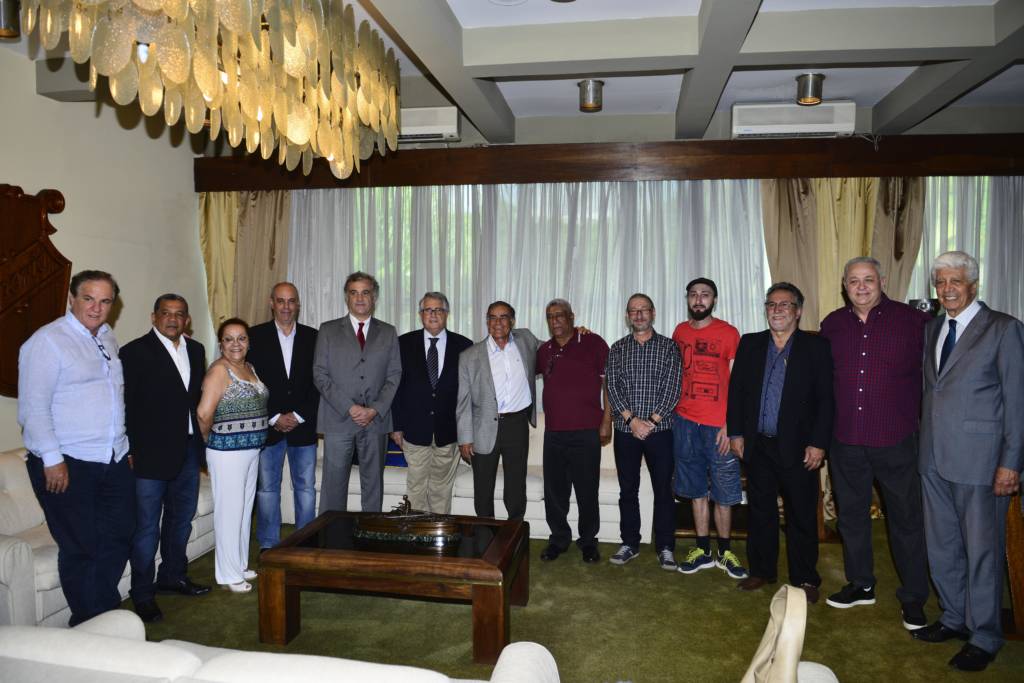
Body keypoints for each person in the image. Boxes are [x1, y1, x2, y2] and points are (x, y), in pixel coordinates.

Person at [912, 251, 1024, 672]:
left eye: (955, 281)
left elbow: (1018, 402)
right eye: (940, 282)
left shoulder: (1004, 329)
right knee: (942, 545)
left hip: (982, 462)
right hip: (934, 458)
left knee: (981, 552)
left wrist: (1011, 463)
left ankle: (985, 635)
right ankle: (954, 617)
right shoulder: (933, 328)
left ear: (973, 285)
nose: (947, 289)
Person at [18, 270, 135, 626]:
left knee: (120, 534)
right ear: (71, 299)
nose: (96, 308)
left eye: (105, 301)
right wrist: (52, 460)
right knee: (81, 546)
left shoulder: (108, 338)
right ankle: (90, 623)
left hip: (112, 459)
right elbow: (33, 408)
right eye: (88, 298)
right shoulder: (47, 341)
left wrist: (124, 446)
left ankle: (103, 612)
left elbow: (112, 399)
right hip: (67, 462)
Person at [819, 257, 930, 629]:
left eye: (868, 279)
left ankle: (914, 596)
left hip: (896, 438)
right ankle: (861, 584)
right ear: (844, 285)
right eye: (854, 281)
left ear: (882, 280)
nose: (861, 287)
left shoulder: (915, 322)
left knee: (906, 521)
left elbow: (934, 380)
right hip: (846, 439)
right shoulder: (832, 324)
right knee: (851, 519)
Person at [727, 283, 832, 604]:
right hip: (758, 445)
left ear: (797, 311)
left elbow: (826, 400)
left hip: (800, 448)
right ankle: (761, 570)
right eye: (771, 304)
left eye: (785, 304)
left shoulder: (816, 347)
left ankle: (805, 577)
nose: (777, 310)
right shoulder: (751, 343)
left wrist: (818, 443)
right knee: (760, 511)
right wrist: (735, 433)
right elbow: (737, 392)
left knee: (801, 514)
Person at [121, 294, 210, 624]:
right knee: (146, 528)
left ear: (187, 319)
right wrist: (130, 449)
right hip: (149, 455)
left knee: (180, 520)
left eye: (179, 314)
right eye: (166, 313)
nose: (173, 319)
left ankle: (173, 577)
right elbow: (125, 405)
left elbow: (196, 400)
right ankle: (143, 594)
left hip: (188, 451)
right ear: (153, 317)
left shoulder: (196, 350)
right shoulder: (134, 352)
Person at [671, 278, 747, 580]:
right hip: (685, 422)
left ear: (714, 300)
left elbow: (738, 384)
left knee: (725, 491)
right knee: (695, 490)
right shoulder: (680, 331)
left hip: (718, 426)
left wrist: (731, 425)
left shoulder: (728, 333)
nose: (699, 300)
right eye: (693, 295)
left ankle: (725, 552)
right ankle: (702, 550)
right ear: (688, 299)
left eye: (705, 295)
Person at [313, 272, 401, 513]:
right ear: (347, 297)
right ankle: (333, 533)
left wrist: (374, 409)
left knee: (373, 485)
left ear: (374, 298)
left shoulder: (388, 332)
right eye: (354, 293)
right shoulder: (328, 330)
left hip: (376, 421)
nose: (360, 298)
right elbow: (320, 374)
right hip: (338, 418)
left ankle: (369, 533)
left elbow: (394, 375)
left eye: (365, 293)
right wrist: (349, 407)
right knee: (333, 486)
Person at [605, 293, 681, 570]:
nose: (638, 315)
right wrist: (632, 421)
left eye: (643, 310)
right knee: (628, 490)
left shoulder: (669, 347)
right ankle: (630, 543)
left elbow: (673, 387)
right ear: (627, 316)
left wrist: (650, 421)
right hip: (626, 431)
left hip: (661, 430)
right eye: (633, 311)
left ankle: (665, 547)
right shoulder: (617, 348)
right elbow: (612, 387)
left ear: (653, 313)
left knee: (664, 490)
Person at [536, 299, 611, 564]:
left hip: (586, 431)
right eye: (550, 316)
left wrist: (607, 420)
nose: (555, 320)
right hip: (554, 432)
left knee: (587, 490)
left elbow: (608, 384)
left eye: (560, 315)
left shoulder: (593, 343)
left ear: (572, 317)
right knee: (555, 492)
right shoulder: (544, 350)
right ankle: (558, 539)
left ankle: (588, 541)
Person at [196, 318, 268, 593]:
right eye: (229, 339)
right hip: (227, 452)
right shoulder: (219, 371)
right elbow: (203, 414)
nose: (235, 344)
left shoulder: (249, 368)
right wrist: (208, 442)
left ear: (248, 342)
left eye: (241, 338)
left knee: (244, 510)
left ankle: (239, 564)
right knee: (229, 512)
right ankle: (227, 573)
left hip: (251, 450)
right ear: (221, 344)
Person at [248, 283, 320, 551]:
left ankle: (305, 542)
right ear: (271, 303)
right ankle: (269, 544)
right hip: (269, 427)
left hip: (304, 426)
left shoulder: (315, 337)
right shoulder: (254, 336)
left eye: (291, 301)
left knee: (306, 488)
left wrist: (299, 416)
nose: (286, 307)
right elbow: (250, 382)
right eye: (281, 301)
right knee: (267, 489)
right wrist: (274, 416)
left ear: (298, 304)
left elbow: (320, 383)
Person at [456, 301, 539, 520]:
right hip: (482, 426)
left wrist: (578, 333)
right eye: (492, 317)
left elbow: (556, 347)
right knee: (483, 487)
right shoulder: (469, 356)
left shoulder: (526, 340)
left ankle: (514, 531)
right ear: (487, 322)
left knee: (516, 485)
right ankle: (486, 533)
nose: (497, 322)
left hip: (517, 424)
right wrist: (465, 438)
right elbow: (463, 401)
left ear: (512, 321)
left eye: (503, 317)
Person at [391, 292, 472, 513]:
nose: (433, 314)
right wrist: (396, 426)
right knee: (416, 487)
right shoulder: (403, 344)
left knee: (441, 489)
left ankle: (437, 530)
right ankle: (416, 530)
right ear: (420, 314)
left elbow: (469, 394)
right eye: (428, 310)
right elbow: (394, 388)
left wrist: (467, 432)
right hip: (414, 430)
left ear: (447, 314)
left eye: (438, 310)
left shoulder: (464, 346)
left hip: (449, 431)